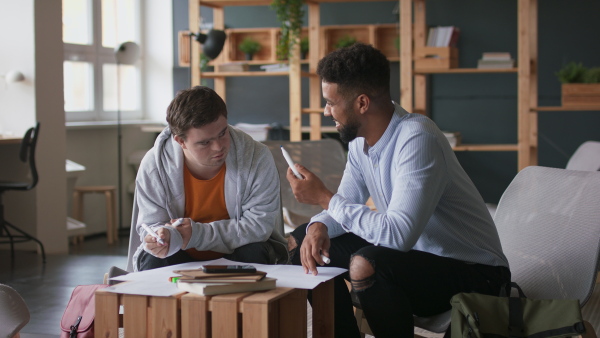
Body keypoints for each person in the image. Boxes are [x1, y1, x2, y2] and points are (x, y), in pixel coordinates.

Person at [285, 43, 510, 338]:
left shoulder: (417, 139)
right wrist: (317, 224)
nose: (326, 111)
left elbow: (398, 235)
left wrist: (325, 199)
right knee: (302, 242)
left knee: (366, 264)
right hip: (416, 257)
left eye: (330, 102)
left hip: (476, 273)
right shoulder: (358, 141)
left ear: (362, 103)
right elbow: (346, 204)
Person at [129, 86, 288, 272]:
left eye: (222, 133)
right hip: (180, 253)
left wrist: (197, 235)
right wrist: (161, 236)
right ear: (180, 141)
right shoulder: (154, 165)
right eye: (205, 142)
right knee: (153, 260)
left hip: (239, 250)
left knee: (255, 252)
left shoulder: (257, 157)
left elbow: (259, 226)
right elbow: (151, 224)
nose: (218, 147)